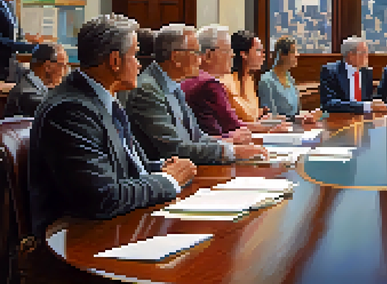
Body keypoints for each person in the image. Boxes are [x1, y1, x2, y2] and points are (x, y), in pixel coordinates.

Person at [28, 14, 197, 240]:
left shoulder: (103, 98)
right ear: (115, 61)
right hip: (76, 241)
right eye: (135, 54)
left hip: (112, 227)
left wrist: (162, 167)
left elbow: (129, 166)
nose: (139, 63)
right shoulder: (69, 110)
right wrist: (168, 180)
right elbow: (102, 197)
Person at [124, 24, 268, 164]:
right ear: (176, 57)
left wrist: (231, 148)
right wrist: (232, 152)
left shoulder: (172, 83)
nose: (200, 59)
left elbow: (197, 136)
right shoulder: (148, 90)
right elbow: (174, 149)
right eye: (196, 52)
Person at [181, 25, 286, 143]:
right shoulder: (208, 83)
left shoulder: (191, 79)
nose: (232, 55)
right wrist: (268, 129)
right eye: (227, 50)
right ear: (209, 55)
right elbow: (232, 125)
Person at [258, 35, 321, 122]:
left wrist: (308, 115)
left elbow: (296, 111)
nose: (297, 55)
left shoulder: (290, 79)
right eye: (293, 51)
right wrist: (294, 119)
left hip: (295, 128)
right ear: (282, 55)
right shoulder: (267, 81)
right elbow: (269, 118)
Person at [320, 36, 387, 113]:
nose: (367, 56)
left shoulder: (367, 72)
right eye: (363, 52)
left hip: (364, 119)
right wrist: (364, 106)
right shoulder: (331, 71)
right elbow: (329, 103)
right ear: (351, 55)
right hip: (340, 119)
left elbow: (369, 99)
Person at [219, 30, 272, 123]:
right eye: (258, 50)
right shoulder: (226, 81)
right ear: (244, 54)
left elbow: (252, 114)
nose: (263, 55)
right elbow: (246, 115)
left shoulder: (249, 79)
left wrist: (260, 113)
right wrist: (257, 115)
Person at [4, 43, 69, 117]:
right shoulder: (29, 93)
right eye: (62, 65)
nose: (66, 71)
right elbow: (59, 111)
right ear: (47, 67)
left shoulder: (35, 85)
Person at [0, 0, 40, 81]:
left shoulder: (9, 4)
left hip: (9, 63)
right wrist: (25, 47)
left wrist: (25, 38)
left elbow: (12, 29)